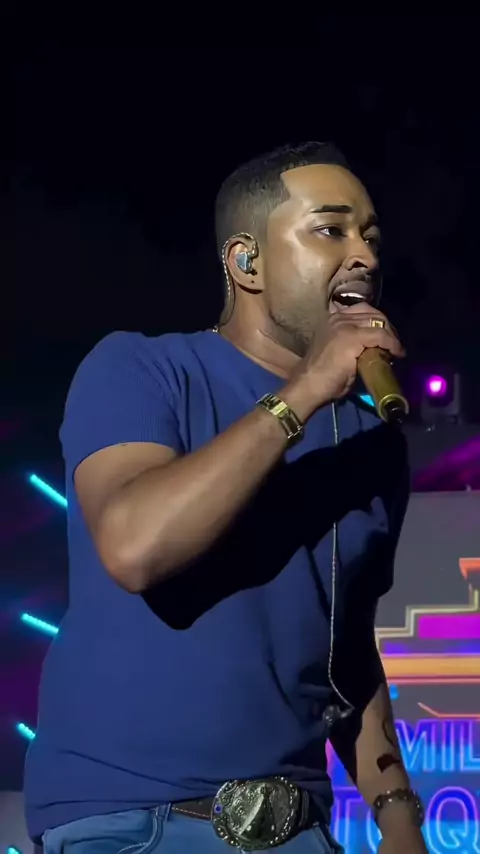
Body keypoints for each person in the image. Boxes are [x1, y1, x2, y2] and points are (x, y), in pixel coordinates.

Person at [24, 142, 428, 853]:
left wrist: (397, 814)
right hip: (136, 822)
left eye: (370, 236)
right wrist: (306, 390)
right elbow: (134, 546)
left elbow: (346, 652)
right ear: (247, 262)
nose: (363, 255)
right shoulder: (143, 368)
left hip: (299, 830)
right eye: (330, 229)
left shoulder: (371, 445)